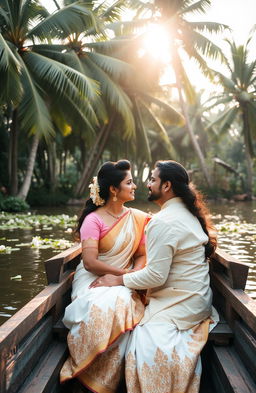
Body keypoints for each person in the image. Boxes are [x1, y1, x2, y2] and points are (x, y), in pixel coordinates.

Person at [91, 160, 218, 393]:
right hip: (197, 299)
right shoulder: (184, 214)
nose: (147, 184)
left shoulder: (164, 221)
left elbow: (156, 277)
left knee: (142, 345)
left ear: (167, 185)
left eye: (152, 179)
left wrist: (118, 279)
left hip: (179, 302)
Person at [60, 160, 149, 392]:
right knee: (106, 304)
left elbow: (141, 255)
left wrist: (129, 276)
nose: (135, 186)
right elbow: (90, 263)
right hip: (93, 279)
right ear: (113, 189)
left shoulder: (138, 218)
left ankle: (109, 378)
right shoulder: (93, 220)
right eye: (129, 182)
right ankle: (91, 374)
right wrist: (124, 275)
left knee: (122, 300)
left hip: (124, 277)